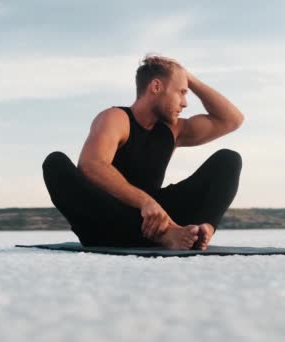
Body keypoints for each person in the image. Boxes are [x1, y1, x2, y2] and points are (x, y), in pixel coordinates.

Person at [42, 55, 244, 250]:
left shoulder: (173, 130)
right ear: (156, 87)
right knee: (55, 163)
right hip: (106, 223)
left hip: (158, 219)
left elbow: (231, 120)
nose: (185, 103)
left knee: (228, 160)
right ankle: (164, 235)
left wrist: (188, 78)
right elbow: (92, 165)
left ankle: (201, 231)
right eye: (181, 92)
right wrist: (145, 202)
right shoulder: (116, 118)